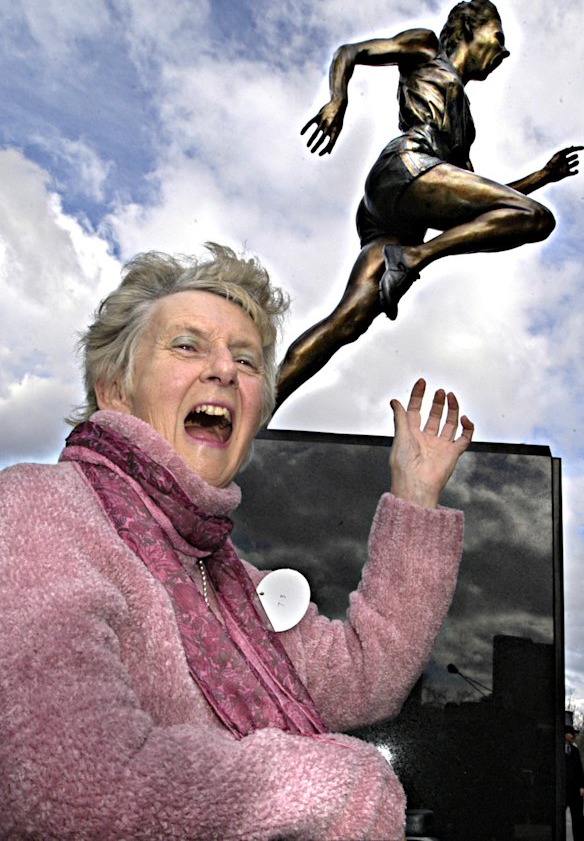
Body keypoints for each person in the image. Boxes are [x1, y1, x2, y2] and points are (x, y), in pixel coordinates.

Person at [0, 243, 473, 840]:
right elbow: (69, 785)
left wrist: (416, 495)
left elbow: (367, 676)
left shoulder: (227, 580)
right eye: (187, 345)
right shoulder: (35, 511)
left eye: (247, 361)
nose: (225, 369)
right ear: (115, 388)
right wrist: (342, 788)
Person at [275, 0, 581, 410]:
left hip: (394, 210)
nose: (503, 52)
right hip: (407, 164)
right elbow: (350, 52)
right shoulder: (426, 49)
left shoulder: (464, 129)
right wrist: (337, 100)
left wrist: (543, 175)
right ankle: (416, 257)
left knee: (346, 321)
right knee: (536, 218)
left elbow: (481, 203)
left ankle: (261, 408)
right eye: (499, 36)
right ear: (470, 28)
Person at [566, 725, 584, 840]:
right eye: (572, 734)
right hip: (563, 789)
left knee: (578, 818)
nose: (574, 737)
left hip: (575, 790)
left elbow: (579, 769)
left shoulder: (575, 751)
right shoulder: (557, 750)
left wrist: (582, 786)